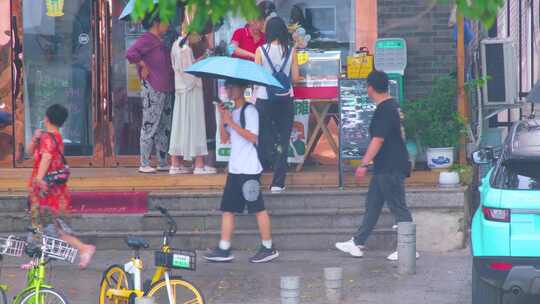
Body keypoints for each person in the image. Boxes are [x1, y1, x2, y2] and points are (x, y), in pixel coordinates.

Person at [335, 71, 417, 261]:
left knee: (398, 206)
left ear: (370, 88)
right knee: (373, 204)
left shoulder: (384, 109)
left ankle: (409, 247)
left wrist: (363, 164)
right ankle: (357, 242)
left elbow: (377, 140)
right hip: (386, 165)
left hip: (390, 166)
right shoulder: (393, 106)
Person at [203, 79, 279, 264]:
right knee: (228, 209)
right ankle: (224, 247)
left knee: (258, 208)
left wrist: (232, 122)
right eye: (227, 87)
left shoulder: (250, 111)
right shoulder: (233, 112)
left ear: (242, 88)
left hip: (249, 169)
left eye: (232, 87)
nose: (228, 90)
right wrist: (223, 119)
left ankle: (268, 247)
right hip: (235, 169)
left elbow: (254, 137)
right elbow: (225, 138)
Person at [27, 104, 95, 269]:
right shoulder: (54, 137)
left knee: (43, 224)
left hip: (45, 189)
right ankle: (81, 249)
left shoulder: (48, 138)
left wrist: (38, 179)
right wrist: (35, 139)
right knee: (48, 225)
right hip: (54, 188)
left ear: (47, 118)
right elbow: (30, 153)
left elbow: (47, 157)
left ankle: (83, 248)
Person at [254, 17, 300, 193]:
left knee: (264, 138)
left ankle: (256, 178)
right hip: (285, 100)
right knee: (283, 139)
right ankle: (278, 183)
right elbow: (295, 78)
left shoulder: (260, 50)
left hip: (264, 100)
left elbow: (256, 78)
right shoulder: (291, 51)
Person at [126, 12, 174, 174]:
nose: (168, 25)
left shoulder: (161, 40)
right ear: (156, 23)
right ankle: (144, 162)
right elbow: (130, 53)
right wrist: (143, 65)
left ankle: (162, 161)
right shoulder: (146, 39)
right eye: (165, 22)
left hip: (166, 87)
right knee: (150, 124)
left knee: (164, 126)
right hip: (153, 87)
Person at [169, 32, 216, 175]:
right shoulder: (185, 49)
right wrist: (205, 56)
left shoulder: (176, 45)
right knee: (196, 125)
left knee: (180, 125)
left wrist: (201, 58)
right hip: (191, 89)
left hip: (181, 89)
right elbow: (190, 71)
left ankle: (176, 163)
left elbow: (183, 68)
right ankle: (199, 164)